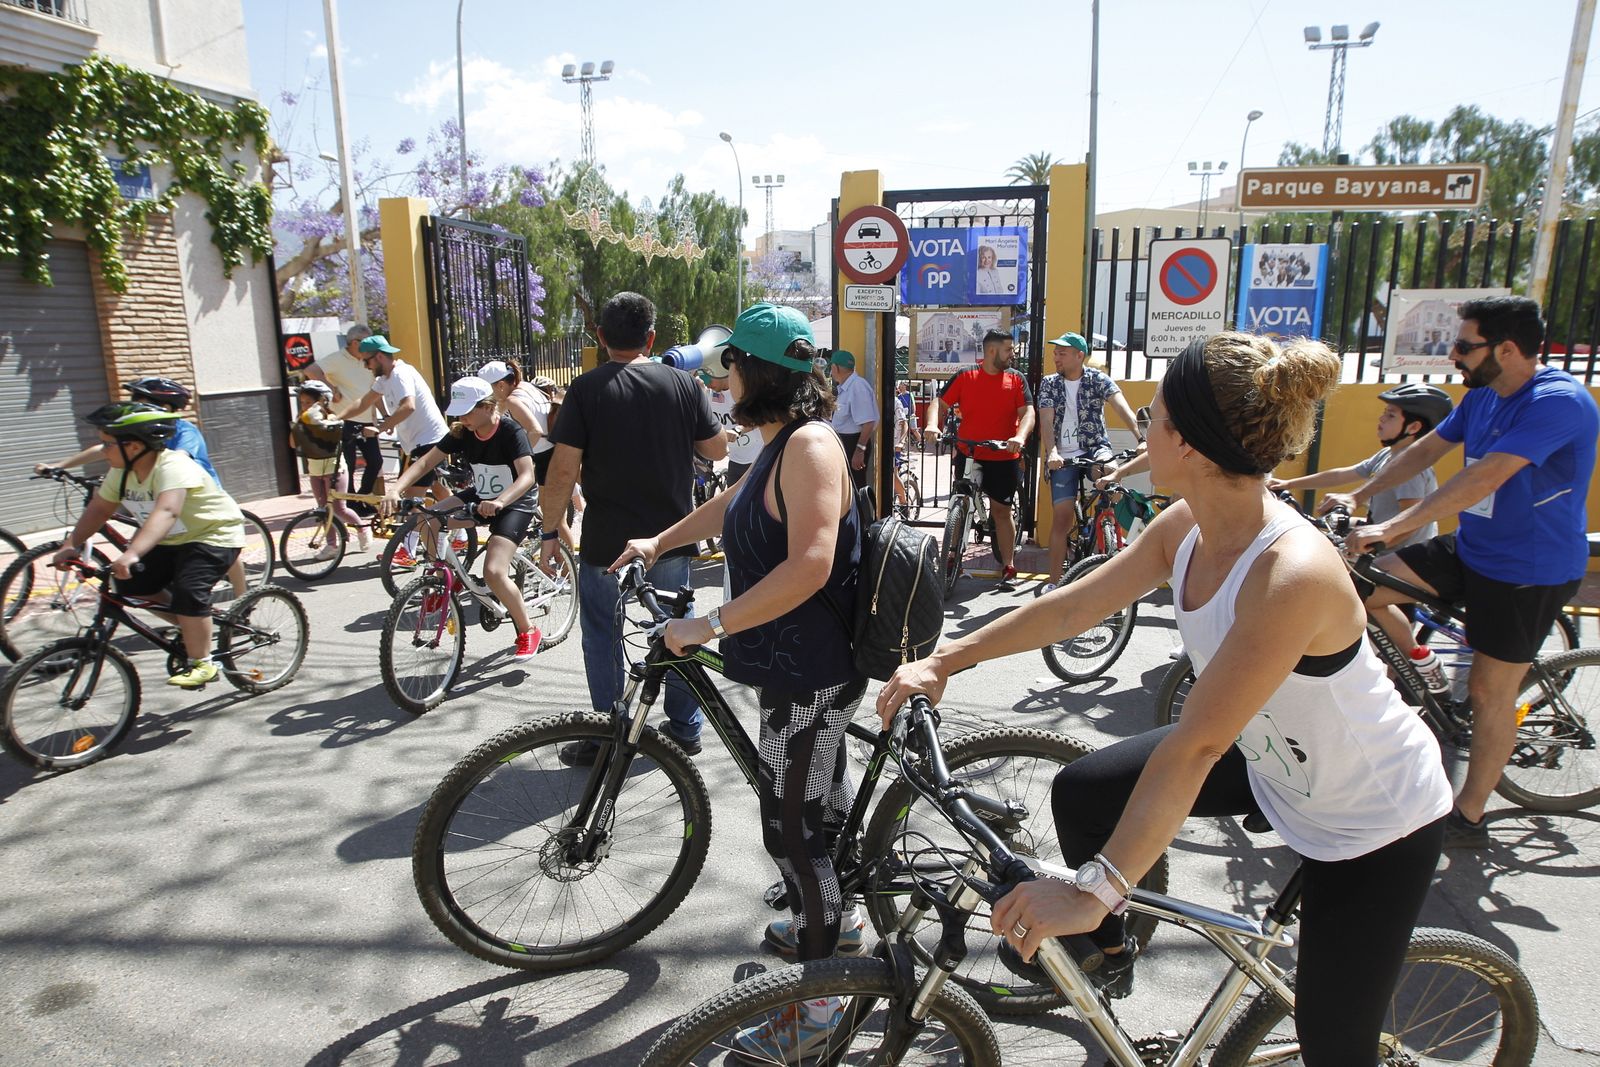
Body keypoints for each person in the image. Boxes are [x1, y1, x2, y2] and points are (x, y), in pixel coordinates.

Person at [879, 332, 1451, 1064]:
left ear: (1186, 443)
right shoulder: (1185, 525)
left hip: (1371, 814)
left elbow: (1197, 743)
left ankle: (1103, 917)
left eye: (1152, 414)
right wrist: (946, 659)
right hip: (1273, 755)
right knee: (1086, 791)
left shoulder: (1291, 571)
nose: (1140, 423)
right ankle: (1108, 952)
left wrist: (1095, 888)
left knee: (1333, 1042)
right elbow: (1069, 608)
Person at [613, 303, 864, 1059]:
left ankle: (819, 1010)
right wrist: (661, 539)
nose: (722, 381)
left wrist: (710, 626)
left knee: (793, 834)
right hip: (790, 669)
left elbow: (812, 562)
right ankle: (838, 920)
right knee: (815, 814)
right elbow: (735, 501)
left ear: (757, 372)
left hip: (812, 675)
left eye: (730, 367)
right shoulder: (781, 445)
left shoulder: (812, 446)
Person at [1333, 296, 1599, 849]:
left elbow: (1485, 479)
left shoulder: (1557, 402)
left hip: (1528, 568)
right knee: (1364, 587)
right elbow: (1424, 451)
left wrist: (1394, 523)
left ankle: (1470, 812)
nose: (1451, 354)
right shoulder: (1482, 397)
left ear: (1506, 348)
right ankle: (1419, 673)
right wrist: (1362, 493)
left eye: (1463, 345)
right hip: (1476, 548)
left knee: (1488, 690)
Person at [540, 292, 726, 762]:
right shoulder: (685, 386)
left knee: (602, 632)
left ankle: (608, 734)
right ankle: (684, 730)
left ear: (600, 337)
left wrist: (548, 533)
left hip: (606, 541)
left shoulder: (585, 391)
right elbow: (716, 450)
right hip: (670, 538)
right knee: (673, 630)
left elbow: (562, 471)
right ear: (651, 337)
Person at [52, 403, 249, 689]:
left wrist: (132, 553)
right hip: (171, 538)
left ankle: (202, 662)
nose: (102, 451)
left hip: (212, 533)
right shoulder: (121, 472)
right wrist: (70, 544)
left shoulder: (173, 466)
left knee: (188, 592)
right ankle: (190, 625)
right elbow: (99, 509)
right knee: (133, 586)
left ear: (132, 446)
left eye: (107, 444)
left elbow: (167, 511)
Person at [37, 376, 251, 597]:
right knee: (146, 549)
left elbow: (178, 459)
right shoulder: (134, 433)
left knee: (216, 552)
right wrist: (59, 465)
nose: (136, 405)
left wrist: (137, 471)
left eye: (143, 400)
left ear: (166, 407)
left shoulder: (185, 432)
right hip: (154, 493)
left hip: (190, 494)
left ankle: (241, 596)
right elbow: (101, 449)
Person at [382, 375, 542, 658]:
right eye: (459, 411)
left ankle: (527, 630)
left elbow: (528, 476)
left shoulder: (510, 431)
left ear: (487, 406)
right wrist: (396, 489)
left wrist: (500, 501)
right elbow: (425, 462)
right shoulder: (461, 433)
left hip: (515, 501)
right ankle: (449, 577)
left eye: (468, 411)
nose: (463, 418)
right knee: (428, 519)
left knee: (494, 572)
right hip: (480, 496)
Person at [923, 329, 1035, 588]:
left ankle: (1008, 566)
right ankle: (952, 560)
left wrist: (1019, 436)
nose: (1013, 354)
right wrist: (932, 425)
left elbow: (1028, 412)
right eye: (1009, 350)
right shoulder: (966, 375)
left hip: (1003, 455)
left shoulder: (1016, 379)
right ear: (992, 351)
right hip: (969, 451)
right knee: (959, 504)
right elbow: (939, 404)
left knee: (1001, 511)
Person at [1036, 331, 1142, 593]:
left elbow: (1122, 408)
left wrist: (1141, 438)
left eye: (1062, 353)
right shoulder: (1049, 383)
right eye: (1055, 352)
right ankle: (1054, 583)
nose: (1056, 357)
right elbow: (1046, 421)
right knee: (1062, 517)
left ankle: (1107, 529)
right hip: (1062, 455)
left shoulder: (1098, 380)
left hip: (1095, 448)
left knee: (1110, 473)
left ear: (1079, 355)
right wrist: (1052, 452)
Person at [335, 334, 451, 568]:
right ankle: (459, 536)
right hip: (418, 441)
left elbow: (409, 405)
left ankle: (407, 551)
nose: (365, 366)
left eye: (367, 361)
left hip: (430, 440)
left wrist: (380, 428)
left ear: (379, 357)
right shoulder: (384, 378)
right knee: (437, 489)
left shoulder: (399, 374)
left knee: (411, 496)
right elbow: (364, 402)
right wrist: (335, 418)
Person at [476, 360, 572, 547]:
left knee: (555, 522)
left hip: (545, 460)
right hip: (553, 453)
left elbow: (534, 431)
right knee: (550, 517)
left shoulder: (512, 400)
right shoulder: (525, 387)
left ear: (501, 385)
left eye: (488, 391)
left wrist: (520, 455)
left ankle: (572, 574)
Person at [304, 324, 383, 512]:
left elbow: (374, 391)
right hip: (345, 419)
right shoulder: (337, 358)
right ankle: (350, 504)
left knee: (375, 461)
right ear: (355, 343)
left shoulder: (367, 361)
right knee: (349, 464)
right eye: (367, 341)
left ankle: (362, 498)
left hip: (366, 420)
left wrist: (384, 415)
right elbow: (311, 370)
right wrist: (331, 388)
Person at [291, 381, 370, 556]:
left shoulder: (330, 419)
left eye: (308, 402)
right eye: (302, 402)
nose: (305, 406)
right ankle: (332, 545)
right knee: (323, 509)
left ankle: (363, 529)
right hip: (315, 470)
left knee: (340, 508)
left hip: (335, 470)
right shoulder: (303, 420)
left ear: (321, 401)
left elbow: (330, 437)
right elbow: (292, 443)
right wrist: (299, 425)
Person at [703, 366, 763, 485]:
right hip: (735, 459)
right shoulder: (708, 393)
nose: (708, 384)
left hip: (755, 459)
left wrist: (738, 430)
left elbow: (757, 417)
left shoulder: (740, 390)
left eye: (710, 380)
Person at [827, 350, 878, 490]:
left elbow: (868, 422)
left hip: (853, 444)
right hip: (848, 444)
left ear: (835, 368)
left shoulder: (857, 387)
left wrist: (859, 450)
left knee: (855, 489)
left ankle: (862, 513)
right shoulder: (848, 387)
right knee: (847, 490)